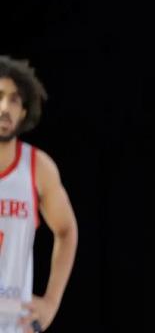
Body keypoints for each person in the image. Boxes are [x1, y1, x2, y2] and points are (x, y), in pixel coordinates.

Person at [0, 56, 78, 333]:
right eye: (0, 96)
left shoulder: (37, 167)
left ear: (24, 111)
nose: (5, 107)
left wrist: (51, 302)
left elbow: (67, 230)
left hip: (14, 322)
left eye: (14, 100)